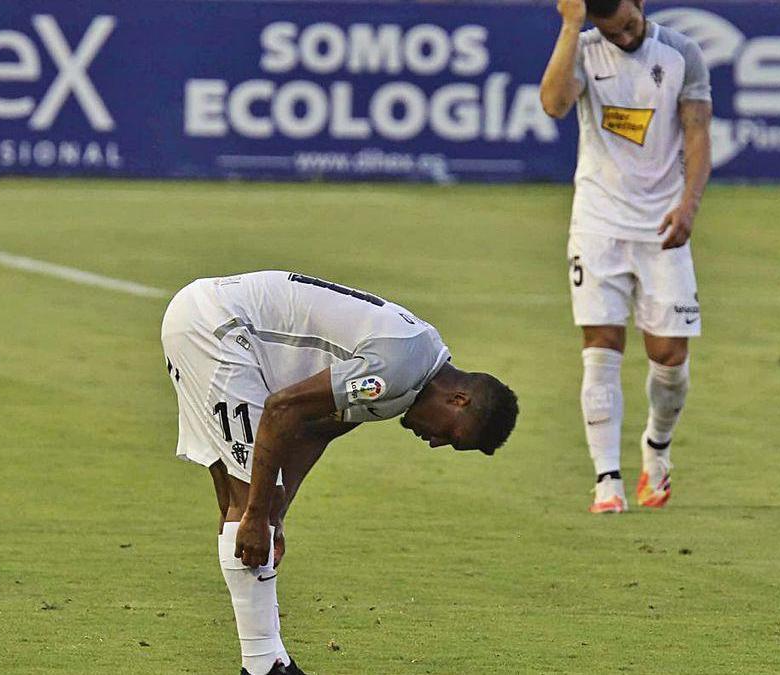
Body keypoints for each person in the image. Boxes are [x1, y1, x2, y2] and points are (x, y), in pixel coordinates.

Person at [160, 271, 518, 675]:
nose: (436, 443)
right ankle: (263, 665)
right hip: (217, 326)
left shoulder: (415, 372)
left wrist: (275, 516)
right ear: (458, 399)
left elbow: (318, 429)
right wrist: (260, 516)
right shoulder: (393, 375)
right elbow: (281, 410)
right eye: (452, 436)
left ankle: (264, 661)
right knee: (247, 506)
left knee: (244, 501)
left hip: (215, 322)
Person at [539, 0, 712, 513]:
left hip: (662, 225)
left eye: (631, 25)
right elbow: (553, 104)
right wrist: (571, 25)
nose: (625, 36)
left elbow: (699, 131)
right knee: (601, 346)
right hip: (598, 223)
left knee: (670, 357)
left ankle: (656, 449)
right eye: (612, 31)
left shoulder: (682, 53)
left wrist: (689, 207)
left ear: (640, 6)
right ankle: (607, 481)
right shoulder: (585, 50)